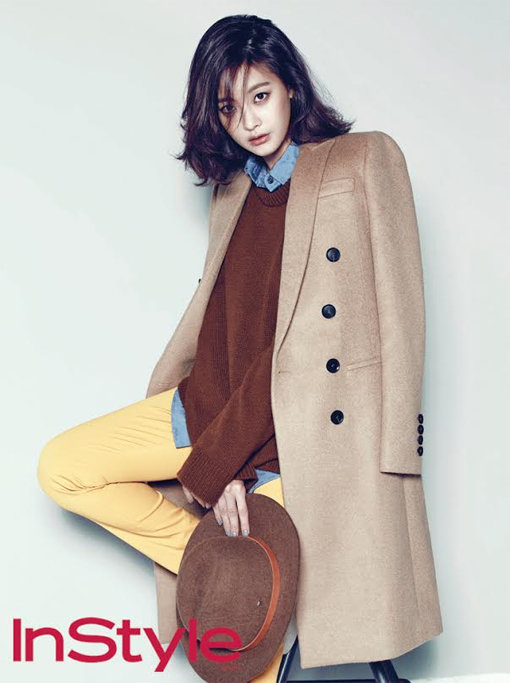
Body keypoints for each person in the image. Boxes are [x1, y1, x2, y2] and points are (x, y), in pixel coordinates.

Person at [38, 13, 440, 682]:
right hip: (210, 405)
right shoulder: (233, 191)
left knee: (247, 643)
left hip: (303, 431)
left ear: (291, 87)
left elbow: (382, 321)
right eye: (229, 108)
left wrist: (392, 449)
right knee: (64, 467)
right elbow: (228, 333)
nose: (250, 121)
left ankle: (256, 580)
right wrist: (220, 470)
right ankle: (239, 562)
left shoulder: (363, 160)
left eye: (261, 95)